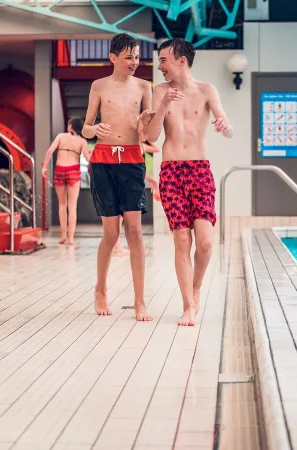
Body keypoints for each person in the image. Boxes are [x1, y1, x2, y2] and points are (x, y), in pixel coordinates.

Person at [142, 38, 233, 327]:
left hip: (200, 170)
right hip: (170, 170)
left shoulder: (207, 90)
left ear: (182, 60)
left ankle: (196, 288)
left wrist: (224, 127)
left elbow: (227, 129)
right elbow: (151, 137)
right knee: (182, 239)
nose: (160, 66)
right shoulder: (160, 91)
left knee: (205, 243)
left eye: (164, 60)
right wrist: (164, 104)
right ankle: (188, 306)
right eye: (159, 60)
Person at [82, 32, 153, 321]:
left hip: (133, 158)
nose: (134, 62)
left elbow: (150, 132)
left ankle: (140, 300)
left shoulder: (143, 86)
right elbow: (86, 128)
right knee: (111, 233)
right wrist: (94, 130)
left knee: (134, 231)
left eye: (137, 56)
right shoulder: (98, 86)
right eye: (128, 57)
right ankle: (100, 289)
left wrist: (145, 126)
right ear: (113, 58)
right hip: (103, 160)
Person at [112, 120, 160, 257]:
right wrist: (152, 181)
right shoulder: (132, 145)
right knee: (121, 216)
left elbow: (156, 149)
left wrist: (146, 137)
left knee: (129, 217)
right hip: (125, 181)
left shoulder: (141, 146)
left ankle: (128, 246)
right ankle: (117, 247)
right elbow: (135, 168)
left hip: (134, 182)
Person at [42, 117, 90, 245]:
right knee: (72, 206)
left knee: (62, 205)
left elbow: (50, 151)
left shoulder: (61, 136)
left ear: (70, 126)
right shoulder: (82, 141)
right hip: (73, 171)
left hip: (59, 170)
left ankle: (63, 236)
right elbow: (88, 158)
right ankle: (71, 239)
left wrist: (44, 167)